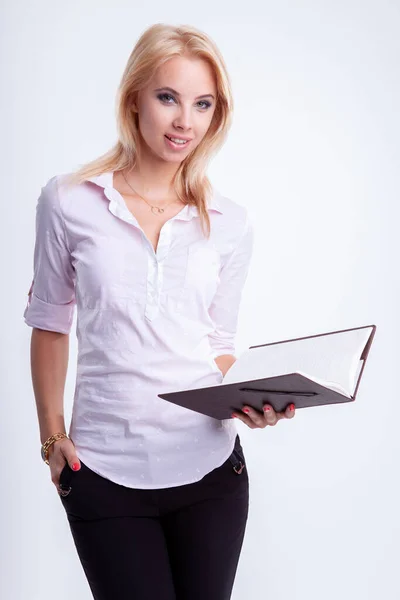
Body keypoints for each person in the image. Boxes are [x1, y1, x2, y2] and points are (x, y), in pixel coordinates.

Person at [24, 22, 296, 600]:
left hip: (211, 473)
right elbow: (50, 322)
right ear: (134, 98)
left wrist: (248, 398)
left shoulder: (230, 222)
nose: (185, 122)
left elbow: (217, 340)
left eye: (202, 104)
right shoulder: (69, 200)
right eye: (168, 97)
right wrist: (52, 438)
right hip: (102, 471)